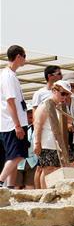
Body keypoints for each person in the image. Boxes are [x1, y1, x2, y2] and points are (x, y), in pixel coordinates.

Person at [33, 80, 74, 187]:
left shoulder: (60, 107)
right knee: (48, 170)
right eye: (63, 93)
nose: (65, 97)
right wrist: (37, 143)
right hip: (47, 143)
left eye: (67, 94)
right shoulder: (45, 105)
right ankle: (46, 193)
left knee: (61, 168)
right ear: (54, 91)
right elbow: (37, 124)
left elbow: (70, 121)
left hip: (59, 143)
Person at [1, 45, 29, 188]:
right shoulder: (7, 76)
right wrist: (17, 125)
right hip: (11, 123)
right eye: (24, 56)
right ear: (18, 56)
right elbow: (10, 101)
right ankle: (1, 180)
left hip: (14, 122)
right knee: (18, 154)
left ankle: (9, 186)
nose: (25, 59)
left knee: (13, 156)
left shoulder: (11, 75)